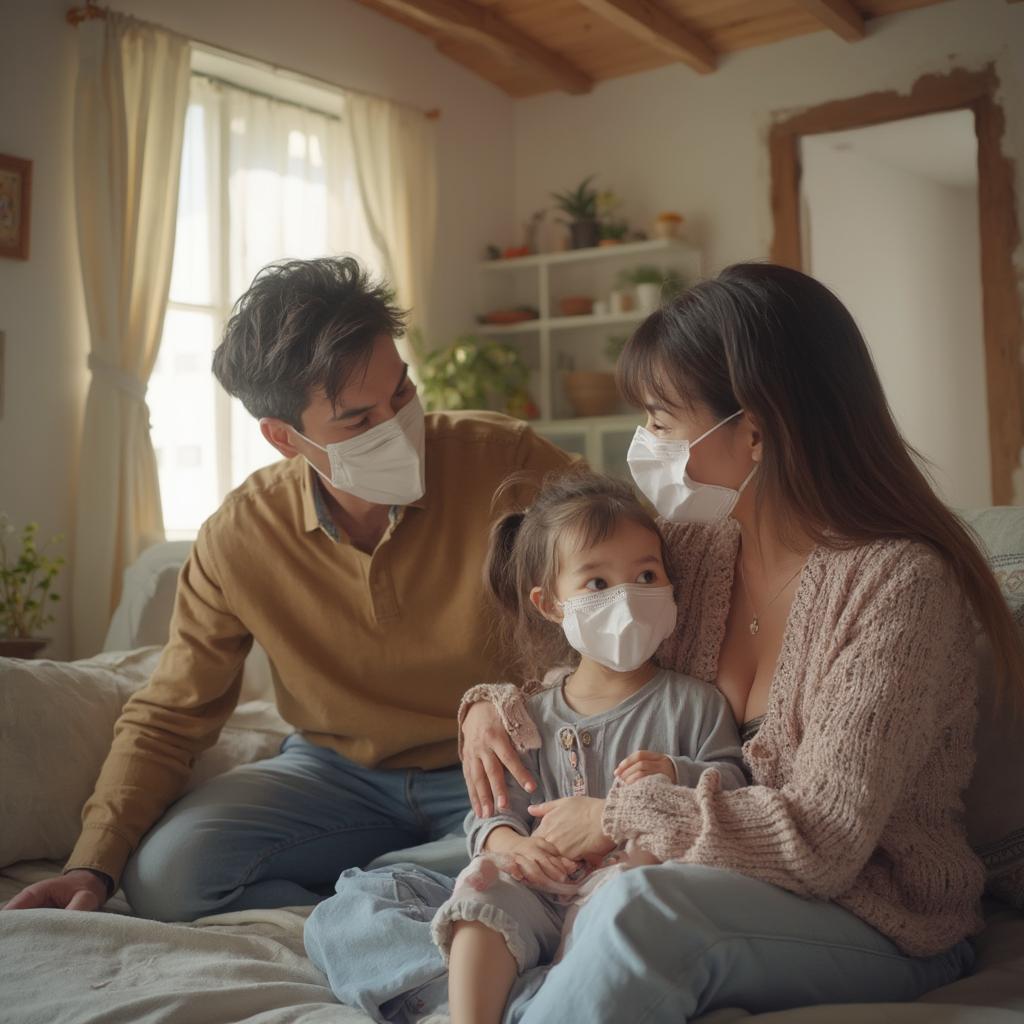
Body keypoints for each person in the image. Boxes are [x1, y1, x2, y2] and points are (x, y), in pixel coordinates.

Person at [310, 262, 1024, 1023]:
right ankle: (528, 998)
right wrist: (485, 708)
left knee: (640, 912)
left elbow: (824, 842)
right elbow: (578, 649)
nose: (643, 443)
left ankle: (521, 993)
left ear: (753, 431)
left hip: (864, 911)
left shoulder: (896, 585)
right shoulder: (697, 546)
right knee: (366, 897)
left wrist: (618, 817)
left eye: (660, 419)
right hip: (650, 867)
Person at [5, 256, 572, 921]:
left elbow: (625, 576)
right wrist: (92, 862)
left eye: (403, 393)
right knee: (166, 877)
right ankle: (405, 886)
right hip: (335, 777)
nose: (398, 426)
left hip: (501, 765)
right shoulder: (241, 536)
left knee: (550, 849)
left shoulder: (507, 461)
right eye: (359, 421)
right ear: (284, 438)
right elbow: (171, 712)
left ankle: (392, 888)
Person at [304, 470, 746, 1023]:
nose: (628, 595)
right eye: (597, 584)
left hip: (626, 892)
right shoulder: (527, 715)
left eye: (647, 573)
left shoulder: (695, 703)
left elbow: (732, 785)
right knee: (475, 888)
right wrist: (513, 845)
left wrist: (678, 773)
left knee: (628, 897)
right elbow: (491, 816)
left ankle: (528, 994)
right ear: (549, 604)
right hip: (538, 889)